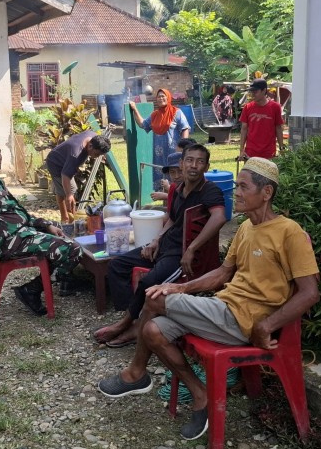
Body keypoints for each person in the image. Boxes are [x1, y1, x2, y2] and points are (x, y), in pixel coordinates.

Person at [97, 157, 320, 442]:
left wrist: (267, 325)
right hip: (223, 309)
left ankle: (136, 373)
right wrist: (182, 288)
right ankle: (200, 395)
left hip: (243, 321)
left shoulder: (289, 232)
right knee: (153, 331)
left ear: (266, 193)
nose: (236, 192)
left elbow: (310, 292)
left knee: (154, 299)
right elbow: (222, 274)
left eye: (243, 187)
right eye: (236, 186)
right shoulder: (246, 228)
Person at [93, 144, 226, 348]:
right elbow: (172, 219)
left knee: (149, 282)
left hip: (182, 255)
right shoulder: (177, 189)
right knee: (117, 265)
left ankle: (127, 326)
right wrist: (156, 240)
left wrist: (191, 249)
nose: (194, 166)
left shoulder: (210, 190)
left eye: (200, 162)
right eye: (189, 160)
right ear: (182, 164)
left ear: (206, 167)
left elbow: (219, 217)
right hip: (165, 246)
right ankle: (133, 317)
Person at [0, 136, 82, 314]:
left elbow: (18, 214)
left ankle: (55, 281)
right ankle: (35, 289)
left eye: (0, 152)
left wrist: (46, 225)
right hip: (10, 242)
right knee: (72, 248)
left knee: (64, 230)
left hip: (21, 233)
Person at [127, 89, 190, 188]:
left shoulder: (176, 112)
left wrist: (184, 147)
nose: (161, 98)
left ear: (168, 97)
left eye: (163, 96)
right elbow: (142, 124)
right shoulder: (155, 115)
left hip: (174, 153)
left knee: (176, 177)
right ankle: (165, 201)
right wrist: (135, 109)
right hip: (159, 155)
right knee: (161, 178)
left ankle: (176, 200)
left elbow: (185, 128)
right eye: (159, 97)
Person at [45, 130, 112, 223]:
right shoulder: (75, 154)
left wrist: (101, 154)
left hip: (63, 159)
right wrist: (69, 195)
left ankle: (70, 217)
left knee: (65, 190)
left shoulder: (93, 137)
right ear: (90, 146)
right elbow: (65, 176)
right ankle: (68, 220)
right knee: (70, 191)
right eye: (97, 154)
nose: (97, 157)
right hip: (56, 163)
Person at [238, 78, 284, 160]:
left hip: (269, 153)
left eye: (255, 91)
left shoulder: (275, 107)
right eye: (251, 91)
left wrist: (281, 148)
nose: (252, 94)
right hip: (250, 153)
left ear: (264, 90)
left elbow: (278, 128)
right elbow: (244, 129)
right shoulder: (247, 107)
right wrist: (241, 150)